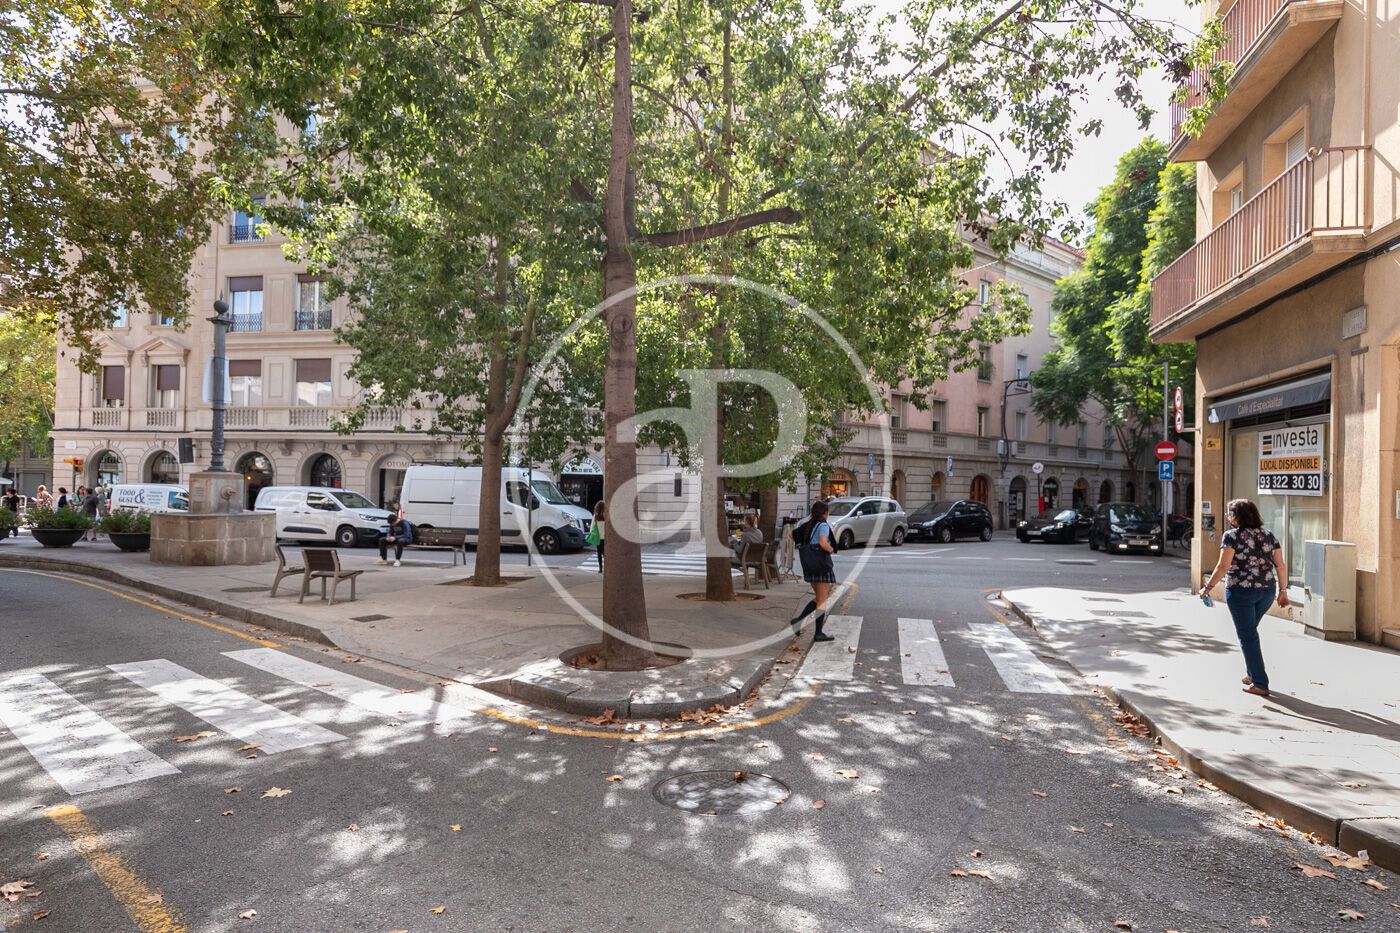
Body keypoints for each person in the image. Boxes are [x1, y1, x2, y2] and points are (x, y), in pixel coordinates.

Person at [1202, 498, 1289, 697]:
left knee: (1248, 635)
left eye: (1228, 513)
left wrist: (1207, 588)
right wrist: (1283, 591)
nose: (1227, 517)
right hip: (1267, 591)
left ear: (1236, 516)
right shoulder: (1269, 535)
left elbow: (1223, 566)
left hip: (1241, 591)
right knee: (1249, 633)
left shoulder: (1232, 536)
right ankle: (1252, 673)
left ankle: (1260, 682)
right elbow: (1281, 566)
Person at [790, 500, 838, 643]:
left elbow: (791, 535)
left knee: (819, 598)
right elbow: (823, 543)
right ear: (825, 513)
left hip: (810, 566)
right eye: (827, 512)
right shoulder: (823, 525)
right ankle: (818, 633)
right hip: (821, 566)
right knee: (822, 600)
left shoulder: (807, 525)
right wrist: (830, 549)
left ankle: (798, 622)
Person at [588, 500, 606, 572]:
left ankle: (600, 569)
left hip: (598, 537)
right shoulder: (606, 515)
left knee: (599, 553)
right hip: (605, 537)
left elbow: (592, 526)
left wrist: (591, 533)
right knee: (605, 553)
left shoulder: (595, 516)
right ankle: (607, 567)